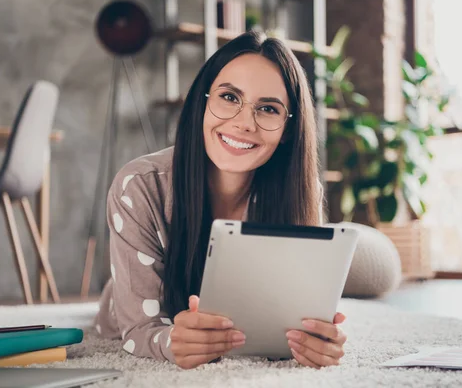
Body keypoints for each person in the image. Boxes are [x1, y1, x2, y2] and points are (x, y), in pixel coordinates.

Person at [94, 30, 347, 370]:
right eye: (229, 98)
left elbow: (296, 317)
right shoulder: (138, 186)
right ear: (203, 100)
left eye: (268, 108)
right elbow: (138, 329)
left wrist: (317, 340)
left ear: (288, 129)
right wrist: (171, 341)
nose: (244, 123)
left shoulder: (303, 191)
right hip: (126, 309)